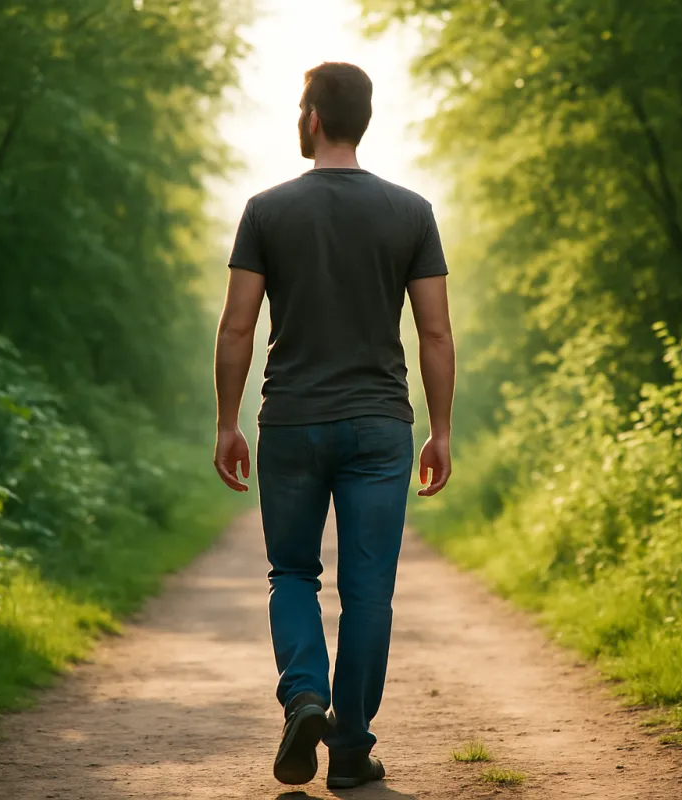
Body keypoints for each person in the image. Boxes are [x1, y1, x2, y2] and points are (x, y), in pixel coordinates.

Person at [212, 61, 456, 790]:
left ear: (314, 117)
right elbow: (435, 333)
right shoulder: (411, 212)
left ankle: (305, 697)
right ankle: (350, 749)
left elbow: (237, 326)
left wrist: (227, 422)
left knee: (292, 572)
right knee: (369, 591)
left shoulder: (266, 210)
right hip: (379, 427)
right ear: (362, 120)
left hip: (291, 422)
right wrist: (440, 430)